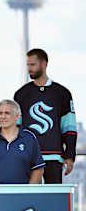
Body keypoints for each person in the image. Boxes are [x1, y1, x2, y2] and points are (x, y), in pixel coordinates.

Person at [14, 48, 77, 184]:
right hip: (28, 156)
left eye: (32, 65)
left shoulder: (62, 93)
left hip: (54, 157)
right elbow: (15, 128)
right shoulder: (21, 94)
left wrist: (70, 155)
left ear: (44, 64)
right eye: (28, 65)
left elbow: (69, 128)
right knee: (28, 200)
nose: (29, 68)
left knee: (52, 200)